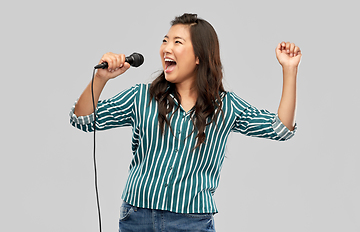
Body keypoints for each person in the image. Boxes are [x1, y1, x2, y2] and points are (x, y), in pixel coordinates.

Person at [70, 13, 301, 232]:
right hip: (137, 217)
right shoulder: (142, 97)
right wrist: (101, 79)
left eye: (177, 42)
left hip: (191, 222)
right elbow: (82, 119)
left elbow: (280, 128)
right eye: (165, 40)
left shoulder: (225, 106)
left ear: (199, 56)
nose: (166, 48)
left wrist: (289, 70)